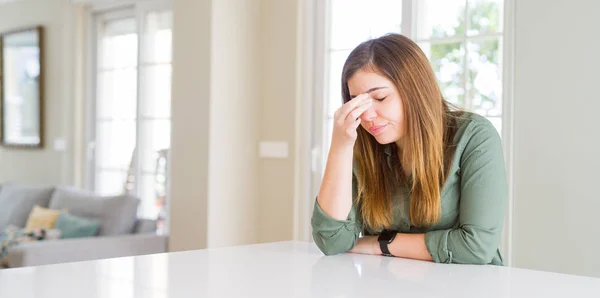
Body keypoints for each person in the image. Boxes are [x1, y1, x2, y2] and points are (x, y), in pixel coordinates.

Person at [311, 33, 508, 265]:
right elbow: (332, 242)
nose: (367, 116)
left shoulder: (474, 136)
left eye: (380, 98)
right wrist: (340, 146)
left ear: (414, 90)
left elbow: (476, 247)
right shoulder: (362, 145)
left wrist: (380, 244)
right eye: (357, 102)